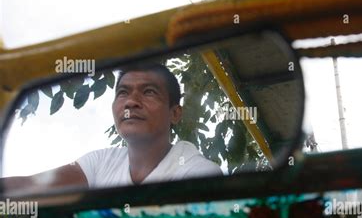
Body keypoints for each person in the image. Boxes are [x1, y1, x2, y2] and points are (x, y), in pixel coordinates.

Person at [2, 65, 221, 194]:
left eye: (149, 92)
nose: (131, 102)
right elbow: (31, 185)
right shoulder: (100, 162)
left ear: (175, 113)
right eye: (123, 93)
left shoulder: (198, 173)